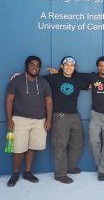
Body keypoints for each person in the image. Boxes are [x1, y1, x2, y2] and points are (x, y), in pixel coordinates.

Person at [5, 56, 53, 187]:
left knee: (33, 147)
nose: (35, 67)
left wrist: (49, 119)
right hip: (19, 119)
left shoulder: (43, 82)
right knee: (18, 148)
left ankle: (27, 172)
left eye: (37, 65)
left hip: (39, 121)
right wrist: (9, 119)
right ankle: (15, 174)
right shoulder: (16, 81)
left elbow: (48, 101)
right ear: (26, 66)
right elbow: (9, 99)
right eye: (32, 64)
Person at [44, 56, 90, 184]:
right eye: (67, 65)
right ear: (62, 66)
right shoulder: (54, 78)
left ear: (74, 67)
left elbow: (95, 83)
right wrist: (21, 75)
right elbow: (35, 79)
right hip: (60, 116)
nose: (69, 67)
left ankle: (70, 167)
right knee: (60, 145)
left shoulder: (78, 80)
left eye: (72, 65)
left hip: (74, 115)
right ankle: (60, 174)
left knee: (77, 143)